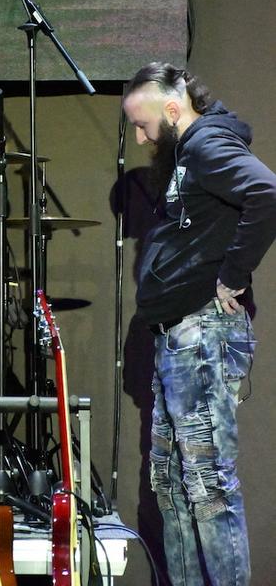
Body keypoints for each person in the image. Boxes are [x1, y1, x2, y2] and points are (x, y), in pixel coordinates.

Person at [123, 63, 276, 586]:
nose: (141, 139)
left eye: (143, 126)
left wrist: (233, 275)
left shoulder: (207, 144)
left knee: (207, 485)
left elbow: (266, 193)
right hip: (178, 338)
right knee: (172, 485)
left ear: (172, 110)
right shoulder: (189, 153)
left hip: (202, 336)